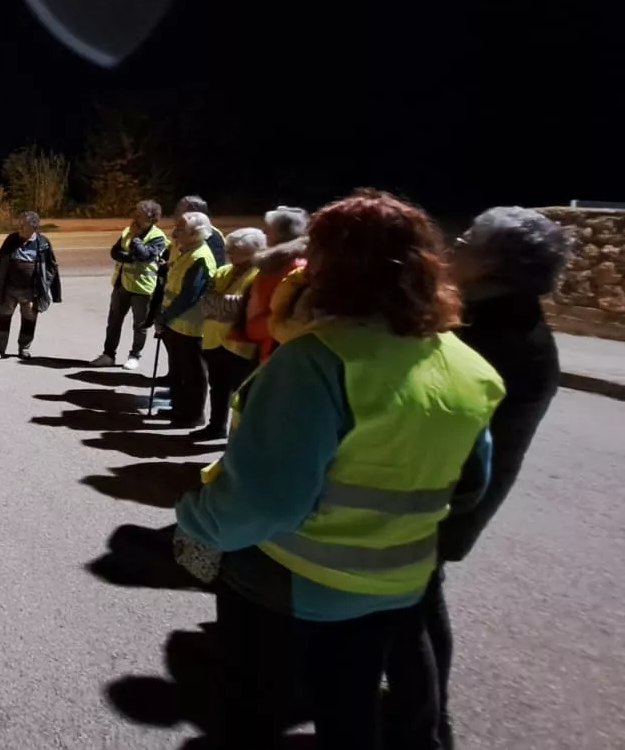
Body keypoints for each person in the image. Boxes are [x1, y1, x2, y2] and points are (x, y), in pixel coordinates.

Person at [174, 190, 504, 749]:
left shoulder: (318, 361)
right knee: (348, 716)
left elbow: (265, 504)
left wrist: (193, 521)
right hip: (395, 589)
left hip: (291, 588)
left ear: (334, 266)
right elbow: (471, 487)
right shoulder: (469, 367)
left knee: (249, 714)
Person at [385, 206, 568, 749]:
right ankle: (417, 712)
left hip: (444, 501)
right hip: (445, 497)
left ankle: (425, 729)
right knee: (415, 603)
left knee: (410, 611)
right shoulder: (493, 317)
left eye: (468, 240)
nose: (454, 244)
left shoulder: (501, 335)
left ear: (497, 264)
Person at [197, 228, 266, 440]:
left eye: (235, 251)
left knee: (241, 394)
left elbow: (243, 307)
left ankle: (240, 437)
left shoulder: (259, 275)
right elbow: (205, 301)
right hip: (213, 340)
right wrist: (226, 304)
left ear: (251, 253)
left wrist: (220, 303)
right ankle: (215, 426)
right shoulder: (223, 271)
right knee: (217, 388)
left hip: (239, 345)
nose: (229, 254)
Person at [156, 211, 218, 428]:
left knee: (193, 374)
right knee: (179, 371)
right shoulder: (186, 251)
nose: (174, 232)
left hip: (191, 326)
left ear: (194, 233)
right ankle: (179, 409)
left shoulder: (200, 257)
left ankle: (193, 415)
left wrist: (165, 316)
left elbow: (189, 296)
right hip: (177, 323)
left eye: (180, 229)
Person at [93, 200, 167, 370]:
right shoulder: (128, 230)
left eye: (139, 214)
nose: (134, 217)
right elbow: (115, 251)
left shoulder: (158, 237)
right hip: (122, 284)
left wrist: (136, 241)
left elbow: (145, 256)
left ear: (151, 217)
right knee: (114, 322)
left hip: (143, 287)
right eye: (135, 213)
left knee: (140, 325)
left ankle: (134, 356)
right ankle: (108, 354)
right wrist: (129, 256)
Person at [0, 211, 62, 360]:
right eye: (19, 225)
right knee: (4, 318)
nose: (20, 229)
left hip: (31, 291)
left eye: (24, 227)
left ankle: (24, 348)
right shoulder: (11, 239)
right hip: (9, 289)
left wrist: (55, 293)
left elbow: (51, 268)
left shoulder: (43, 243)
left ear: (34, 228)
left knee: (29, 320)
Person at [240, 206, 309, 362]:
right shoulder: (309, 262)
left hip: (277, 351)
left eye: (268, 229)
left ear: (282, 233)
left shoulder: (281, 268)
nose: (263, 232)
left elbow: (261, 321)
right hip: (280, 347)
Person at [175, 195, 226, 267]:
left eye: (179, 210)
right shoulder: (180, 230)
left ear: (193, 212)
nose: (176, 214)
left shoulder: (211, 235)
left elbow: (216, 264)